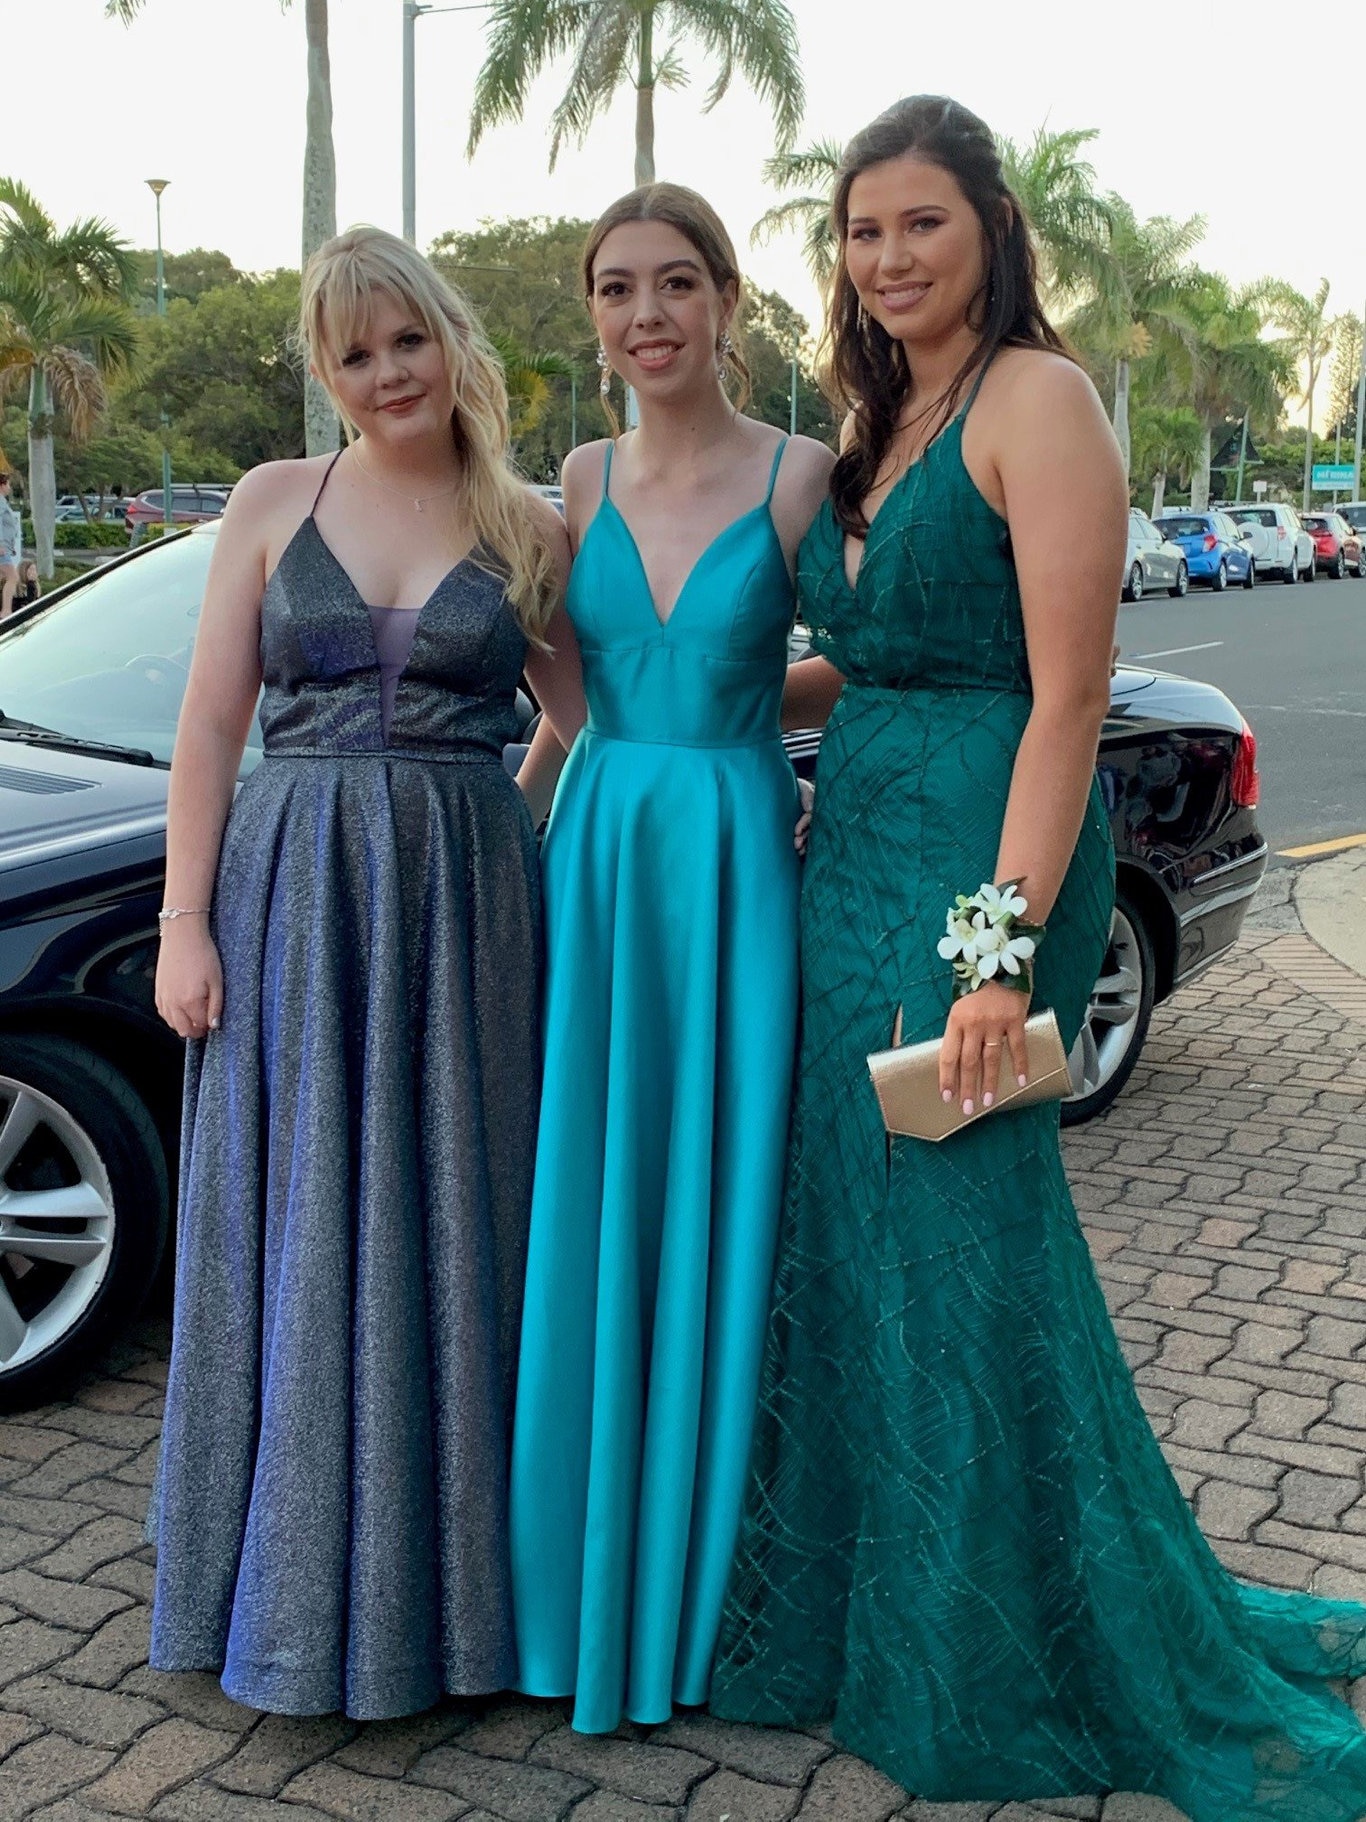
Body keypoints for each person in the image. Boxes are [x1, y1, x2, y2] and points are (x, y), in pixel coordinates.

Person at [710, 96, 1366, 1822]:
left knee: (962, 1238)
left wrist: (1001, 959)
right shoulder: (876, 417)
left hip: (980, 877)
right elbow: (876, 663)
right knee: (855, 1233)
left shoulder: (1035, 399)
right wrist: (685, 704)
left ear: (994, 226)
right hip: (849, 856)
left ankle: (1002, 1636)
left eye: (923, 222)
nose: (891, 257)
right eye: (863, 230)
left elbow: (1063, 693)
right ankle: (888, 1602)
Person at [148, 225, 581, 1719]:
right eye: (354, 353)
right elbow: (211, 726)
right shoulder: (275, 503)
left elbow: (581, 715)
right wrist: (181, 921)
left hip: (465, 913)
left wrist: (501, 837)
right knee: (297, 1223)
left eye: (407, 338)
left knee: (452, 1227)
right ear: (329, 377)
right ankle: (270, 1596)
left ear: (451, 340)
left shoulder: (527, 521)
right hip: (287, 900)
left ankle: (443, 1612)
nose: (387, 371)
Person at [508, 183, 834, 1735]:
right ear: (593, 314)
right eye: (617, 289)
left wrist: (772, 731)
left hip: (727, 856)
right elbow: (562, 692)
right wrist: (513, 839)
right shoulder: (573, 472)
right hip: (598, 854)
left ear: (725, 301)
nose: (647, 314)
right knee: (591, 1199)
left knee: (716, 1198)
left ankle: (690, 1589)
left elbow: (872, 655)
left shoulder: (800, 473)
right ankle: (569, 1589)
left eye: (677, 284)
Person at [0, 474, 21, 618]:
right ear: (1, 485)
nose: (9, 487)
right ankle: (6, 611)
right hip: (2, 548)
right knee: (12, 577)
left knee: (3, 575)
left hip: (6, 547)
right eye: (8, 484)